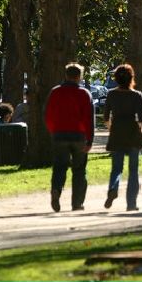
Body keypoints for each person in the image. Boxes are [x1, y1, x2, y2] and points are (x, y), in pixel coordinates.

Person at [103, 64, 142, 211]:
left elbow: (106, 117)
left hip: (117, 133)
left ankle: (113, 188)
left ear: (116, 79)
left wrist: (112, 129)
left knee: (116, 169)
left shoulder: (111, 94)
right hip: (133, 134)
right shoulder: (136, 95)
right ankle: (131, 203)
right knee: (133, 171)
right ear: (132, 78)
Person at [45, 63, 95, 212]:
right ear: (79, 76)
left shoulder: (55, 92)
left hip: (59, 134)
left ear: (66, 75)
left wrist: (53, 130)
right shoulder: (84, 94)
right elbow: (89, 119)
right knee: (79, 169)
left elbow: (48, 115)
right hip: (78, 135)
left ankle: (56, 190)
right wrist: (90, 139)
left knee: (59, 166)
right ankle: (77, 203)